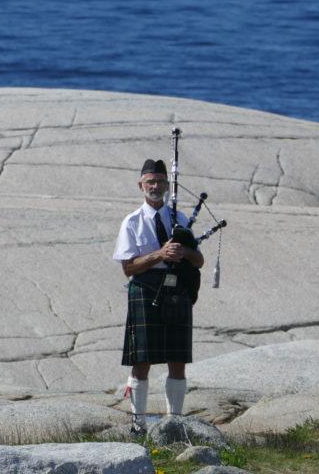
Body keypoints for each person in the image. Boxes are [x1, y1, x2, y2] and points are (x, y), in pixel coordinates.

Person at [113, 158, 205, 434]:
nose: (155, 186)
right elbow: (128, 268)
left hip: (177, 290)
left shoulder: (180, 219)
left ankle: (174, 423)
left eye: (160, 182)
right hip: (145, 289)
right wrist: (159, 254)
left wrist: (184, 252)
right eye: (150, 182)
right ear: (140, 185)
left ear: (167, 186)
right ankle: (138, 424)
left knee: (178, 360)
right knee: (141, 361)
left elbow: (199, 260)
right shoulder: (132, 222)